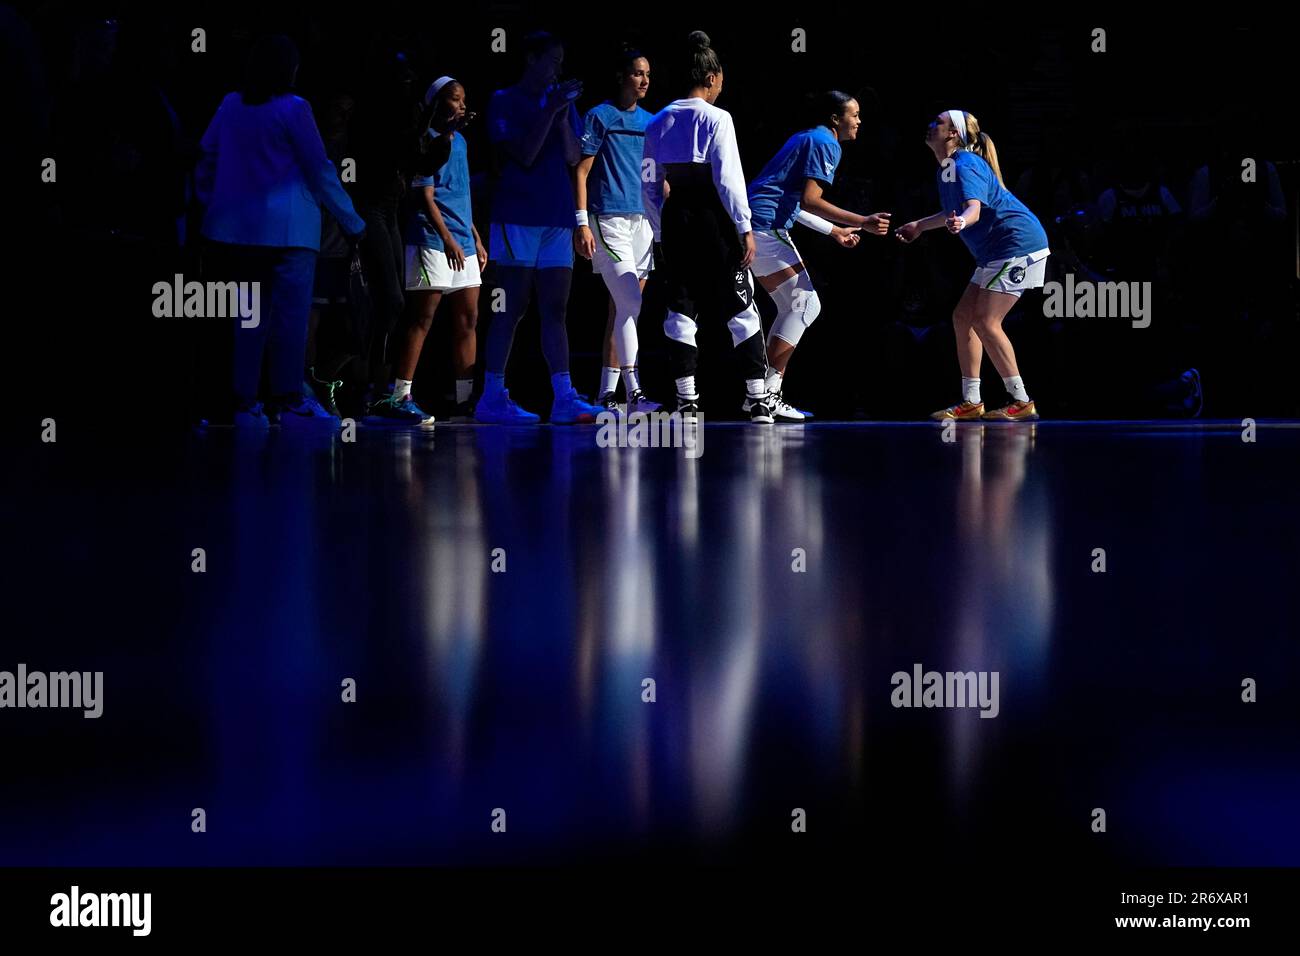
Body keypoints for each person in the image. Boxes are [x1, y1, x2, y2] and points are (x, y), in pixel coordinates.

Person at [196, 34, 366, 427]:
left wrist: (210, 202)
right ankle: (289, 401)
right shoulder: (294, 107)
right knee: (290, 320)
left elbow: (206, 156)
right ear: (289, 69)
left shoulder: (231, 104)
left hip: (237, 233)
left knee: (248, 319)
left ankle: (245, 404)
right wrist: (352, 221)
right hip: (289, 235)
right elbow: (319, 169)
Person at [642, 31, 773, 423]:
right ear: (713, 77)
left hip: (676, 217)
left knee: (681, 306)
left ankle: (687, 399)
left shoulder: (658, 120)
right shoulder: (718, 118)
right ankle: (757, 398)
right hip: (712, 218)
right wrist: (744, 227)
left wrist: (660, 232)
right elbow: (728, 179)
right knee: (738, 302)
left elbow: (649, 183)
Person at [476, 32, 604, 424]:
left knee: (555, 307)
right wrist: (549, 110)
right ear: (531, 59)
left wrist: (563, 115)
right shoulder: (504, 100)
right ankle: (491, 396)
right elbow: (526, 155)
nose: (557, 69)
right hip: (516, 216)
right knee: (511, 307)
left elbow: (570, 156)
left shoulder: (560, 105)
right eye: (552, 60)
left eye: (561, 62)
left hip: (557, 218)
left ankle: (564, 397)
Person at [746, 90, 891, 421]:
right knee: (806, 303)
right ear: (835, 119)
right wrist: (863, 222)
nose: (859, 121)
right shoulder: (826, 143)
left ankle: (762, 394)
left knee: (793, 305)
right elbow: (811, 199)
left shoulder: (805, 138)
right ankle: (766, 393)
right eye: (853, 114)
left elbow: (793, 203)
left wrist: (834, 231)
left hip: (757, 226)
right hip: (765, 228)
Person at [897, 109, 1049, 422]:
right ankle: (971, 401)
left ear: (953, 134)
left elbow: (973, 210)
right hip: (995, 252)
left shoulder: (963, 163)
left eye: (937, 122)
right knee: (963, 317)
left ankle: (1021, 400)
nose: (930, 124)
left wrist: (961, 222)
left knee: (986, 320)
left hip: (1017, 245)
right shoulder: (948, 168)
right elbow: (955, 211)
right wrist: (920, 226)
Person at [371, 77, 486, 425]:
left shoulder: (462, 142)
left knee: (468, 319)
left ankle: (464, 402)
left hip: (462, 241)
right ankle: (399, 395)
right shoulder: (425, 142)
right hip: (432, 239)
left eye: (464, 98)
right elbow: (424, 196)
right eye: (454, 98)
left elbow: (462, 195)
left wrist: (474, 237)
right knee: (422, 318)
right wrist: (449, 239)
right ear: (436, 103)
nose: (462, 105)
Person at [574, 45, 662, 416]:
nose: (644, 80)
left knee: (625, 307)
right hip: (607, 217)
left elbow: (659, 178)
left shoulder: (654, 121)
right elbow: (580, 171)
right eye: (637, 73)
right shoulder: (600, 116)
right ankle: (635, 391)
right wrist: (581, 222)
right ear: (621, 76)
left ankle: (607, 395)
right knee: (630, 302)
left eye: (647, 74)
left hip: (643, 221)